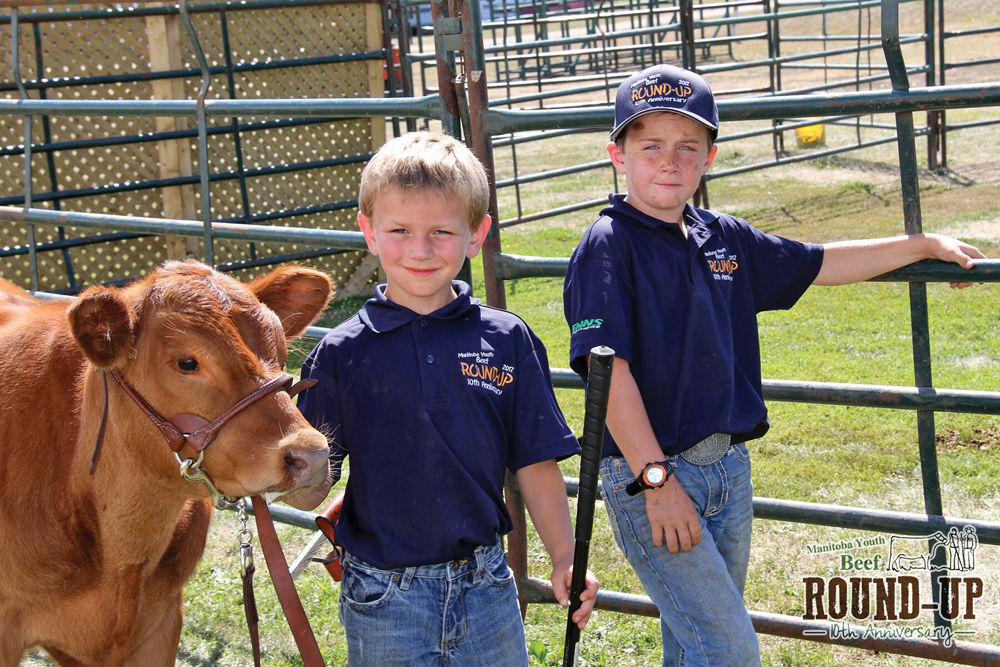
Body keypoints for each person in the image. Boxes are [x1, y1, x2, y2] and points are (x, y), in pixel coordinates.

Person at [562, 63, 985, 666]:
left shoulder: (723, 239)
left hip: (726, 473)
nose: (669, 161)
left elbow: (821, 262)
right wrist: (658, 485)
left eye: (688, 147)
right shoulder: (608, 246)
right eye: (649, 145)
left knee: (695, 646)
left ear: (709, 157)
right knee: (730, 650)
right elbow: (611, 376)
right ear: (617, 154)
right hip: (653, 479)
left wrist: (920, 245)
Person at [293, 131, 599, 666]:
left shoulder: (506, 339)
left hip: (486, 585)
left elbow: (534, 462)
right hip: (384, 596)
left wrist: (566, 556)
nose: (420, 249)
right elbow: (308, 488)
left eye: (440, 231)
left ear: (476, 235)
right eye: (399, 230)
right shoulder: (341, 354)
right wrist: (268, 464)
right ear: (368, 231)